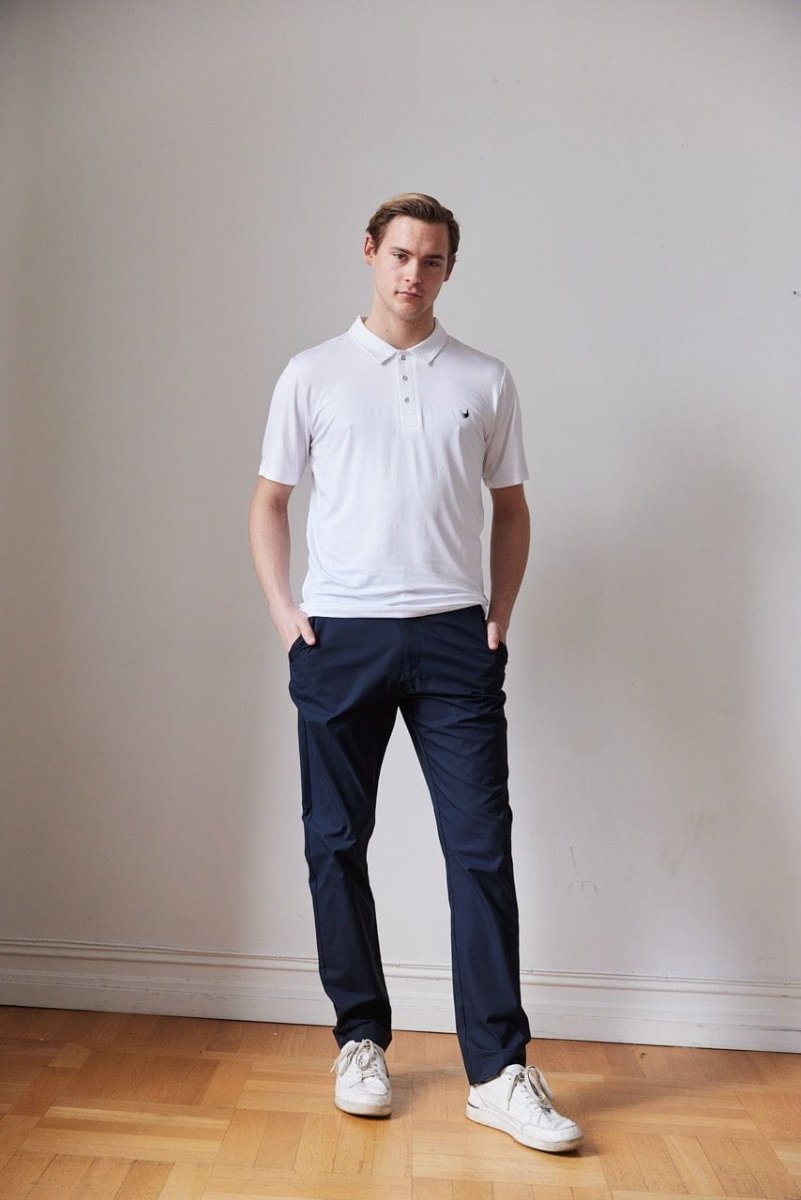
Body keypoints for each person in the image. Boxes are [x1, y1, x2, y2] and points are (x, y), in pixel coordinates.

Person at [248, 193, 582, 1154]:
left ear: (448, 269)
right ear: (369, 253)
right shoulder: (311, 374)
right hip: (340, 638)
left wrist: (498, 615)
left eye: (431, 261)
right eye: (400, 255)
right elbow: (269, 501)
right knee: (333, 843)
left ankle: (498, 1071)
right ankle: (359, 1040)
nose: (413, 274)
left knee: (479, 849)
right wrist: (285, 615)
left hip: (451, 638)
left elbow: (510, 507)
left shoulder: (483, 378)